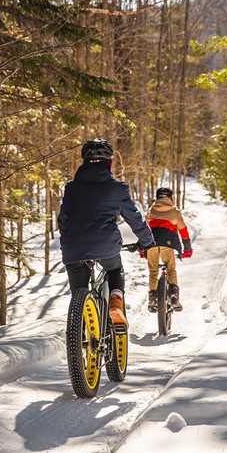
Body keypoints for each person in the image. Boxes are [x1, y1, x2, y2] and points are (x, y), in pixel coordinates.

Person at [59, 139, 155, 327]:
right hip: (105, 246)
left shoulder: (71, 188)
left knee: (78, 290)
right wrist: (147, 241)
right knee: (114, 269)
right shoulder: (117, 188)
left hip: (73, 248)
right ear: (109, 162)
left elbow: (63, 219)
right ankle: (116, 303)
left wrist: (69, 241)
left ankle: (80, 327)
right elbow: (134, 218)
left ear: (84, 162)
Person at [145, 186, 192, 312]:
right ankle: (173, 296)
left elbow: (144, 230)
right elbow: (183, 230)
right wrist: (187, 248)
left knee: (153, 271)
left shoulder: (150, 211)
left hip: (151, 244)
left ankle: (153, 298)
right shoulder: (174, 212)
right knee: (170, 269)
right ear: (170, 197)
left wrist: (141, 248)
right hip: (168, 244)